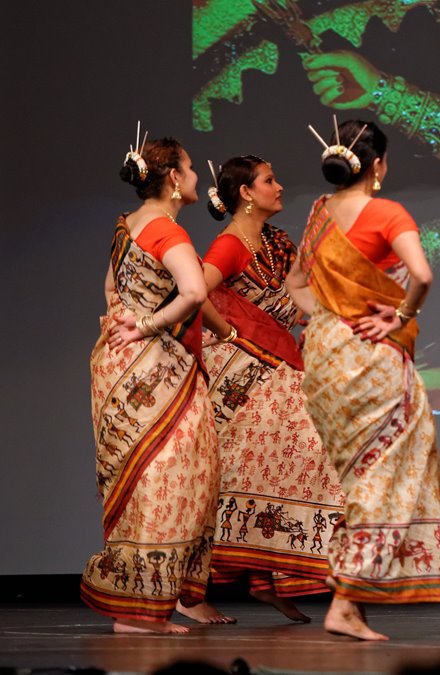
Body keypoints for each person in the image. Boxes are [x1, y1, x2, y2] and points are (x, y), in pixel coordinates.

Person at [286, 119, 440, 641]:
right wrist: (400, 316)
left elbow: (295, 283)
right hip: (371, 354)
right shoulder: (387, 212)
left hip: (325, 353)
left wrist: (329, 316)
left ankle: (349, 596)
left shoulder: (318, 214)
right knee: (384, 470)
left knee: (356, 475)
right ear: (378, 165)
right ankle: (346, 597)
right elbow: (422, 275)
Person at [190, 155, 344, 624]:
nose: (279, 187)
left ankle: (265, 581)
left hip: (278, 366)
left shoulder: (276, 242)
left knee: (271, 473)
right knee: (239, 476)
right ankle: (189, 593)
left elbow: (299, 299)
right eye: (269, 180)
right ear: (245, 192)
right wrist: (230, 333)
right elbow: (195, 292)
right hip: (244, 374)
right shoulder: (229, 246)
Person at [81, 132, 218, 634]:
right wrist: (146, 326)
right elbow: (194, 291)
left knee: (140, 481)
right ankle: (142, 613)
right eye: (191, 169)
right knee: (172, 478)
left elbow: (110, 288)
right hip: (154, 367)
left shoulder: (128, 226)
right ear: (175, 178)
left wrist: (128, 323)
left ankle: (138, 607)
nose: (197, 177)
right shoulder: (165, 230)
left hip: (117, 368)